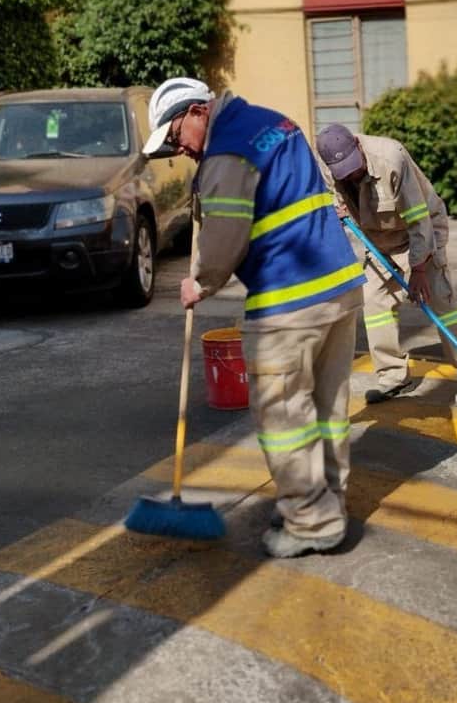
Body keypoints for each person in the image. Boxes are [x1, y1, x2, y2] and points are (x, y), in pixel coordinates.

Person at [142, 78, 365, 559]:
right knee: (326, 411)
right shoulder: (273, 122)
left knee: (285, 418)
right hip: (340, 289)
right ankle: (326, 502)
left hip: (290, 300)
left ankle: (311, 521)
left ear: (199, 111)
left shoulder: (226, 154)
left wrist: (199, 281)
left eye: (176, 134)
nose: (179, 148)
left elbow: (223, 239)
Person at [315, 124, 457, 408]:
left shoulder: (391, 159)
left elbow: (418, 221)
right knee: (373, 301)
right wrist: (337, 211)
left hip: (421, 233)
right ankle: (393, 376)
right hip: (380, 239)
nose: (350, 175)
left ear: (358, 147)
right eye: (343, 172)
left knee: (440, 302)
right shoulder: (331, 168)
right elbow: (333, 201)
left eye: (353, 167)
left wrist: (419, 271)